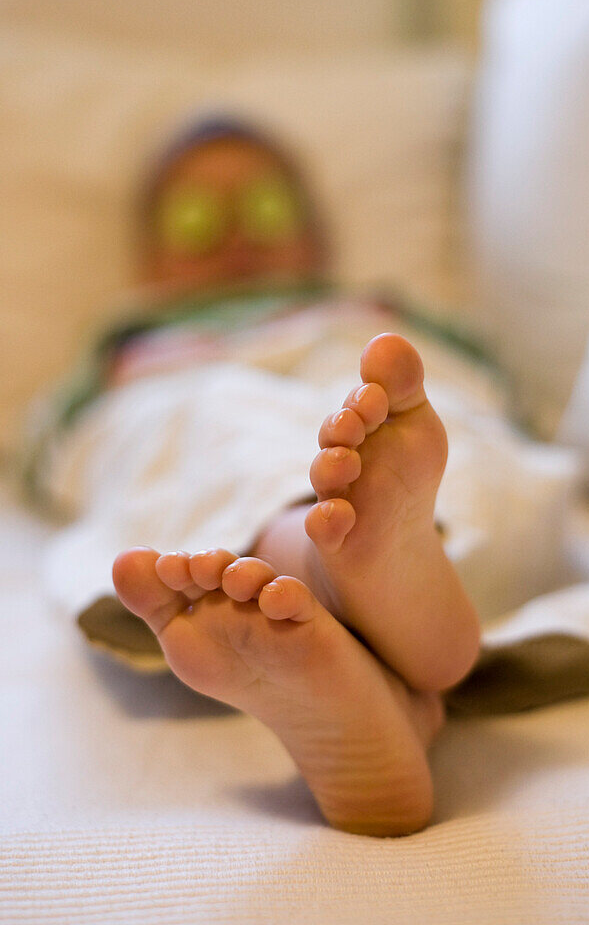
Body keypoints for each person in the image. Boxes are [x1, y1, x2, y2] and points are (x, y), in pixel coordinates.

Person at [112, 331, 481, 838]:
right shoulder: (131, 341)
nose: (235, 248)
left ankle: (318, 567)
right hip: (185, 386)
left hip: (330, 352)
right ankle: (332, 577)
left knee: (226, 438)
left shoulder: (368, 310)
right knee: (213, 413)